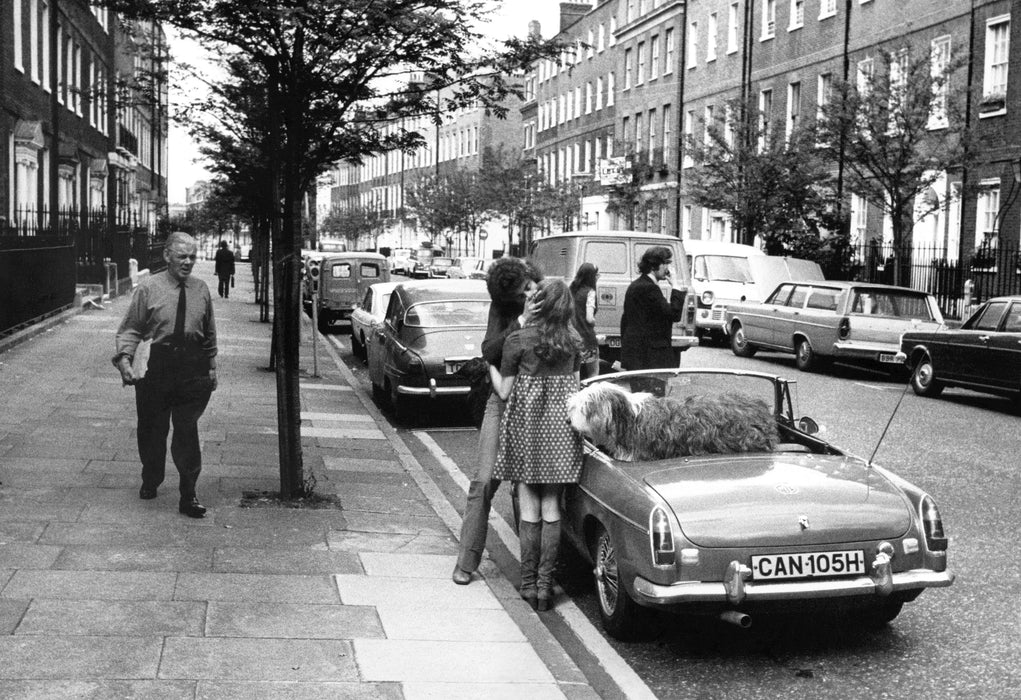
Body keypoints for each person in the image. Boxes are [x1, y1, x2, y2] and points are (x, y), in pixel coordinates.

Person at [492, 278, 584, 611]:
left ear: (540, 303)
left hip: (526, 432)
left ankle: (528, 584)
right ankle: (546, 589)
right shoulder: (573, 341)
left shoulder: (518, 340)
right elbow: (576, 393)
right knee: (552, 509)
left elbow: (504, 391)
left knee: (528, 509)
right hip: (560, 434)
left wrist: (489, 367)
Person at [113, 232, 218, 519]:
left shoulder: (201, 289)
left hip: (192, 366)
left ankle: (189, 493)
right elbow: (132, 328)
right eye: (182, 256)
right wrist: (124, 359)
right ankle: (151, 476)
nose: (188, 262)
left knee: (187, 429)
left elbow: (209, 331)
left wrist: (211, 366)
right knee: (152, 428)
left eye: (192, 257)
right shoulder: (148, 288)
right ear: (167, 256)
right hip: (156, 367)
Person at [452, 258, 542, 586]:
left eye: (529, 289)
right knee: (484, 481)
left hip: (536, 404)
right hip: (500, 403)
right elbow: (489, 349)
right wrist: (520, 320)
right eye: (521, 294)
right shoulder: (506, 305)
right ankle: (466, 561)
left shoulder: (550, 299)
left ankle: (532, 575)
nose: (528, 294)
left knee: (527, 489)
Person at [620, 245, 685, 373]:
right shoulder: (649, 288)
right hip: (650, 356)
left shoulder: (635, 285)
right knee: (652, 392)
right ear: (654, 265)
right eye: (665, 263)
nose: (668, 268)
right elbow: (674, 314)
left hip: (636, 353)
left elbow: (625, 321)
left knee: (639, 392)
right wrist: (676, 286)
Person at [570, 262, 599, 380]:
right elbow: (589, 318)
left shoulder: (571, 290)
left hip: (572, 336)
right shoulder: (590, 292)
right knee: (593, 373)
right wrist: (594, 321)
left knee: (575, 372)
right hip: (587, 338)